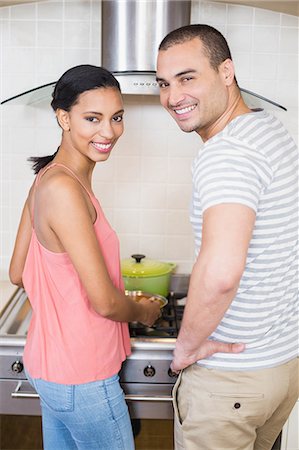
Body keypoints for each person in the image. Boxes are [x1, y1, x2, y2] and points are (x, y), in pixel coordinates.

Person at [156, 24, 298, 450]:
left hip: (230, 381)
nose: (172, 96)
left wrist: (185, 348)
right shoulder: (267, 129)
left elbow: (220, 273)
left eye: (187, 77)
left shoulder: (227, 155)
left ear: (226, 72)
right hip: (280, 366)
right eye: (164, 83)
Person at [9, 64, 161, 450]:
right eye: (92, 118)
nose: (108, 131)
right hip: (83, 374)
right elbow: (105, 303)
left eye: (117, 117)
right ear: (63, 117)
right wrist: (143, 310)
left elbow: (16, 272)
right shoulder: (64, 190)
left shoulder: (46, 178)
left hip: (52, 370)